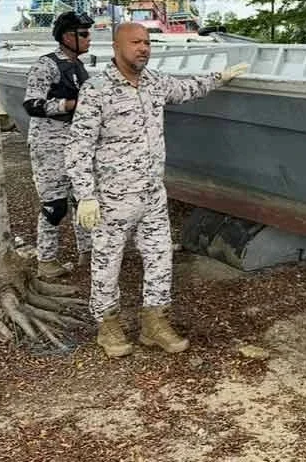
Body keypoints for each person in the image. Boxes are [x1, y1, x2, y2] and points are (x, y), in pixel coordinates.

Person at [66, 22, 249, 358]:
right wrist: (86, 195)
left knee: (160, 258)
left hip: (152, 194)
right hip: (112, 198)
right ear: (117, 47)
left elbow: (187, 89)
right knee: (107, 262)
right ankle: (107, 325)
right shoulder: (97, 90)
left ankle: (155, 322)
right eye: (136, 42)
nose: (143, 48)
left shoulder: (153, 83)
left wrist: (220, 77)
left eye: (147, 42)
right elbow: (78, 147)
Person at [22, 10, 95, 279]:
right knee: (54, 206)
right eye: (84, 34)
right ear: (67, 37)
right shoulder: (47, 65)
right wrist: (70, 104)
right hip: (49, 145)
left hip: (76, 143)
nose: (89, 39)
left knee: (83, 201)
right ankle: (47, 261)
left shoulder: (77, 65)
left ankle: (87, 253)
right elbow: (32, 104)